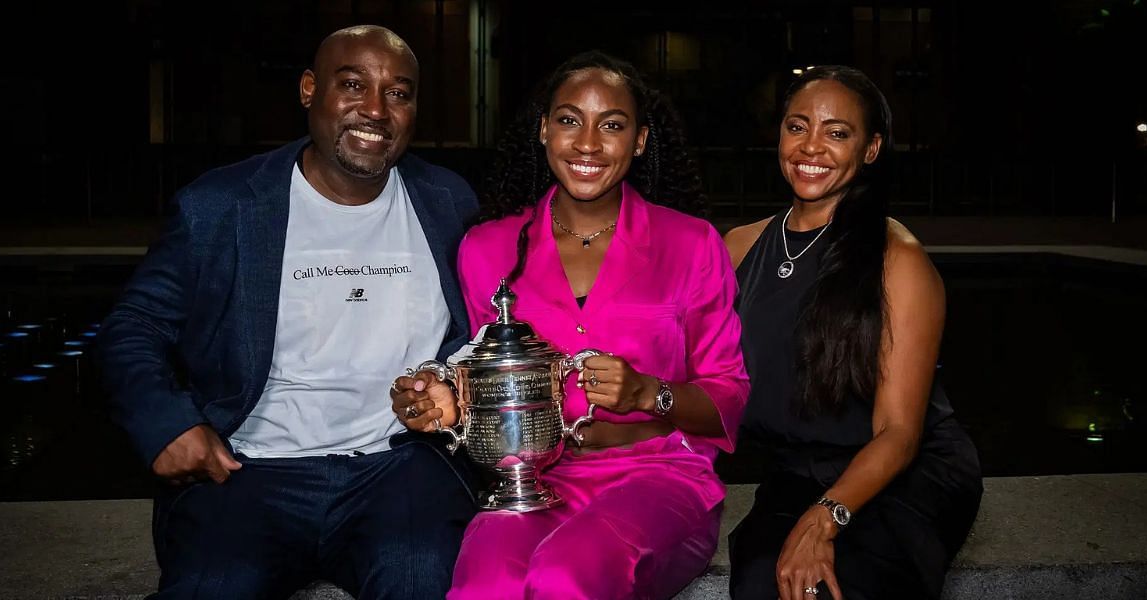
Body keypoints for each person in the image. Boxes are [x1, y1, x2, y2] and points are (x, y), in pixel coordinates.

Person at [97, 25, 479, 599]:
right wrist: (168, 423)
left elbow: (474, 332)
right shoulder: (220, 206)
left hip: (395, 467)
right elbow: (132, 327)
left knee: (426, 580)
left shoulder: (448, 201)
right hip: (250, 468)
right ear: (309, 90)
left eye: (398, 93)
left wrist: (451, 382)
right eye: (353, 85)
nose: (375, 110)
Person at [390, 51, 749, 599]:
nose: (587, 143)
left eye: (612, 125)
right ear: (542, 130)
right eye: (567, 120)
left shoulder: (692, 244)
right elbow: (485, 380)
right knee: (486, 583)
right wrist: (446, 402)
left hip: (660, 477)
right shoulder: (486, 250)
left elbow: (727, 395)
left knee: (566, 574)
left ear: (641, 141)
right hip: (533, 482)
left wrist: (650, 393)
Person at [723, 65, 983, 600]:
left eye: (837, 133)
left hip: (903, 473)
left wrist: (825, 518)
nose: (810, 146)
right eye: (797, 127)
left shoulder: (897, 259)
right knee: (757, 584)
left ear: (870, 149)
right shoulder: (739, 248)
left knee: (837, 587)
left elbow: (898, 432)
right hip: (797, 470)